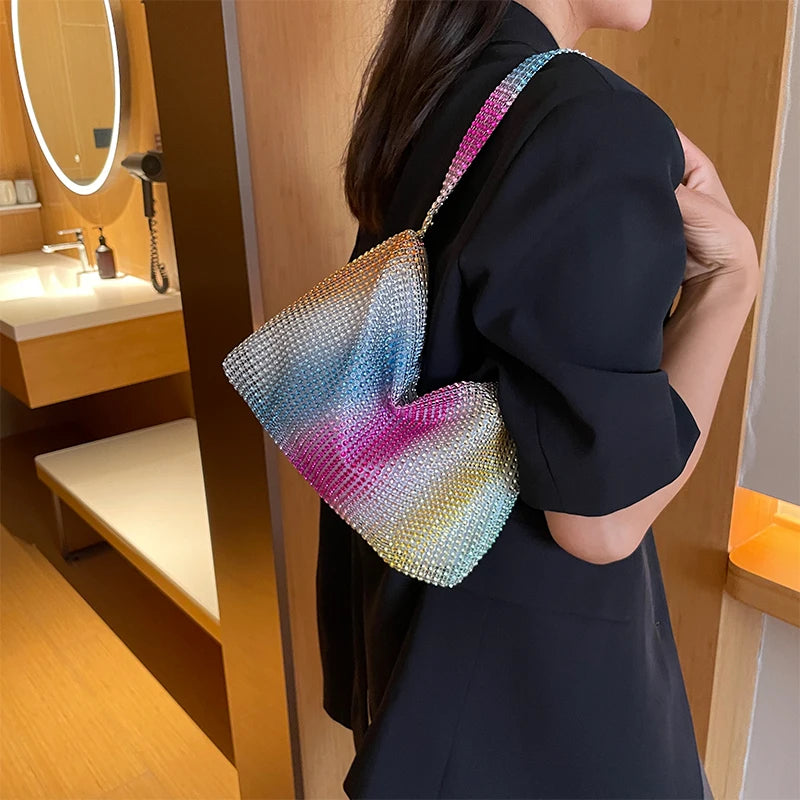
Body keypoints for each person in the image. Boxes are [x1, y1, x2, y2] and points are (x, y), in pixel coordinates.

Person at [316, 1, 760, 797]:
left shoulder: (436, 87)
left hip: (421, 656)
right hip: (540, 708)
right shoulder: (591, 123)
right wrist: (732, 286)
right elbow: (601, 521)